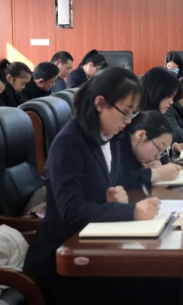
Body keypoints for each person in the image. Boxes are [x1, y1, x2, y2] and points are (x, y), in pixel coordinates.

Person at [23, 67, 161, 301]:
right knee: (155, 283)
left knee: (160, 278)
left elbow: (105, 186)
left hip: (96, 242)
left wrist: (113, 196)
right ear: (100, 103)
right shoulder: (69, 143)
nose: (128, 121)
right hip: (64, 258)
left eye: (132, 114)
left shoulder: (111, 136)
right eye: (126, 112)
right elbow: (71, 211)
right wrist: (132, 211)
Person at [121, 111, 183, 191]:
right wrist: (154, 174)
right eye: (159, 148)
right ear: (141, 135)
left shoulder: (139, 152)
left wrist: (158, 168)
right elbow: (118, 180)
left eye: (162, 152)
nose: (158, 157)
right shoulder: (117, 145)